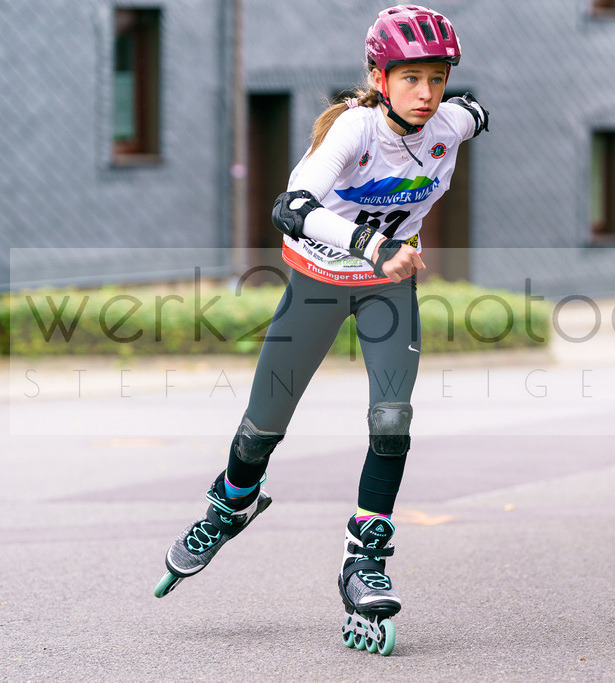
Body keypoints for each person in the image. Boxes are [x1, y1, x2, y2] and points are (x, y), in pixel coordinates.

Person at [154, 4, 488, 657]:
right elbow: (292, 206)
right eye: (410, 78)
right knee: (261, 426)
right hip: (319, 282)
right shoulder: (353, 131)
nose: (426, 94)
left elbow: (474, 111)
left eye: (437, 79)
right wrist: (371, 245)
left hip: (390, 290)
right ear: (378, 74)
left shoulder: (451, 120)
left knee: (392, 420)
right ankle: (232, 502)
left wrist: (469, 109)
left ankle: (363, 559)